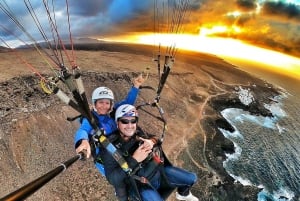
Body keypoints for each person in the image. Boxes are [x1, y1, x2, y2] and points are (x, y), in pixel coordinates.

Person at [100, 104, 199, 201]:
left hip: (158, 172)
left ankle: (183, 194)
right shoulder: (110, 147)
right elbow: (113, 179)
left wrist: (151, 142)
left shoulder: (137, 133)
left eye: (133, 121)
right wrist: (134, 160)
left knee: (191, 178)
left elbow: (155, 138)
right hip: (141, 185)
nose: (130, 125)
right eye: (124, 121)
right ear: (117, 123)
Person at [75, 74, 145, 175]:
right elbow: (83, 130)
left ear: (111, 104)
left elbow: (127, 103)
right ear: (95, 104)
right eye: (101, 102)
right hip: (105, 161)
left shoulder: (112, 113)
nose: (104, 106)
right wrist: (83, 140)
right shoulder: (91, 119)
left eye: (107, 103)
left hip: (120, 151)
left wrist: (136, 86)